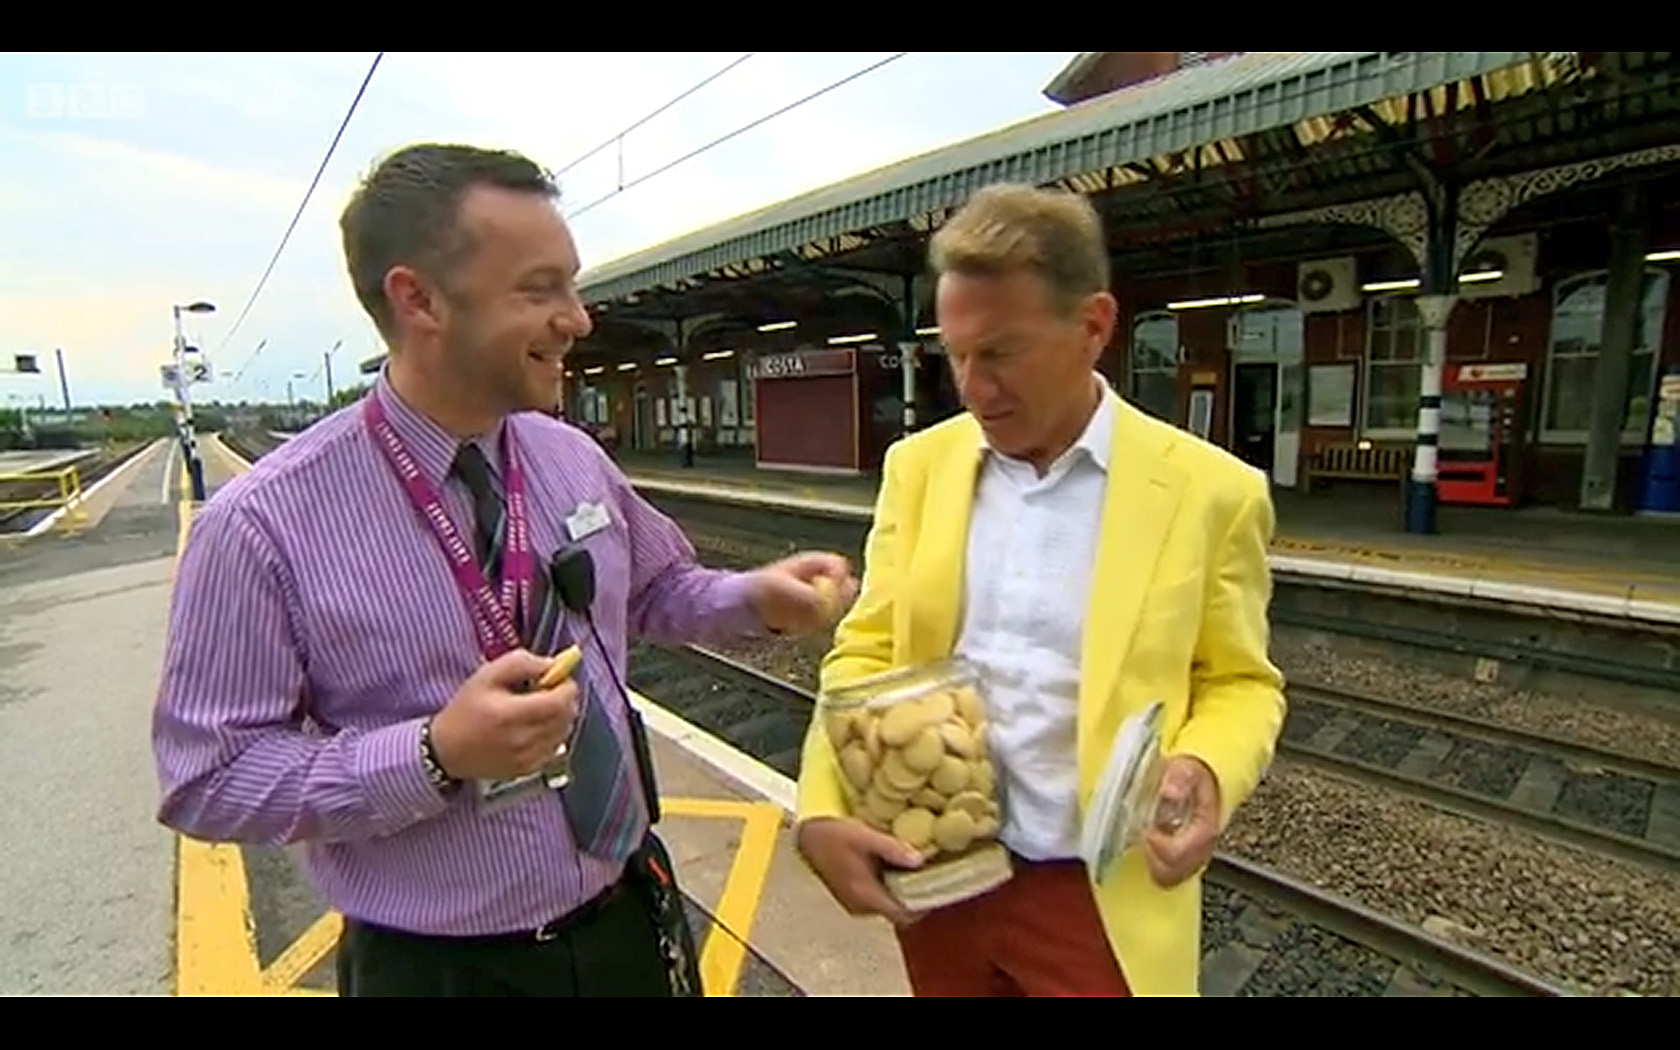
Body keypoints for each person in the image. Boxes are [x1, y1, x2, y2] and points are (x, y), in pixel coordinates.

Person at [151, 142, 857, 997]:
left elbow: (657, 588)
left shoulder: (569, 457)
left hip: (630, 916)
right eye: (539, 289)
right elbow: (209, 777)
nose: (579, 317)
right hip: (443, 971)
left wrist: (755, 596)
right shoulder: (259, 527)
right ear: (419, 299)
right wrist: (433, 754)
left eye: (571, 282)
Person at [793, 183, 1286, 997]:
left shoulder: (1211, 493)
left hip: (1097, 904)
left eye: (1001, 352)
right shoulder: (918, 470)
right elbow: (867, 653)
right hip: (941, 880)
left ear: (1093, 325)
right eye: (956, 354)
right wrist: (820, 807)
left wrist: (1206, 766)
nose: (972, 386)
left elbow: (1240, 681)